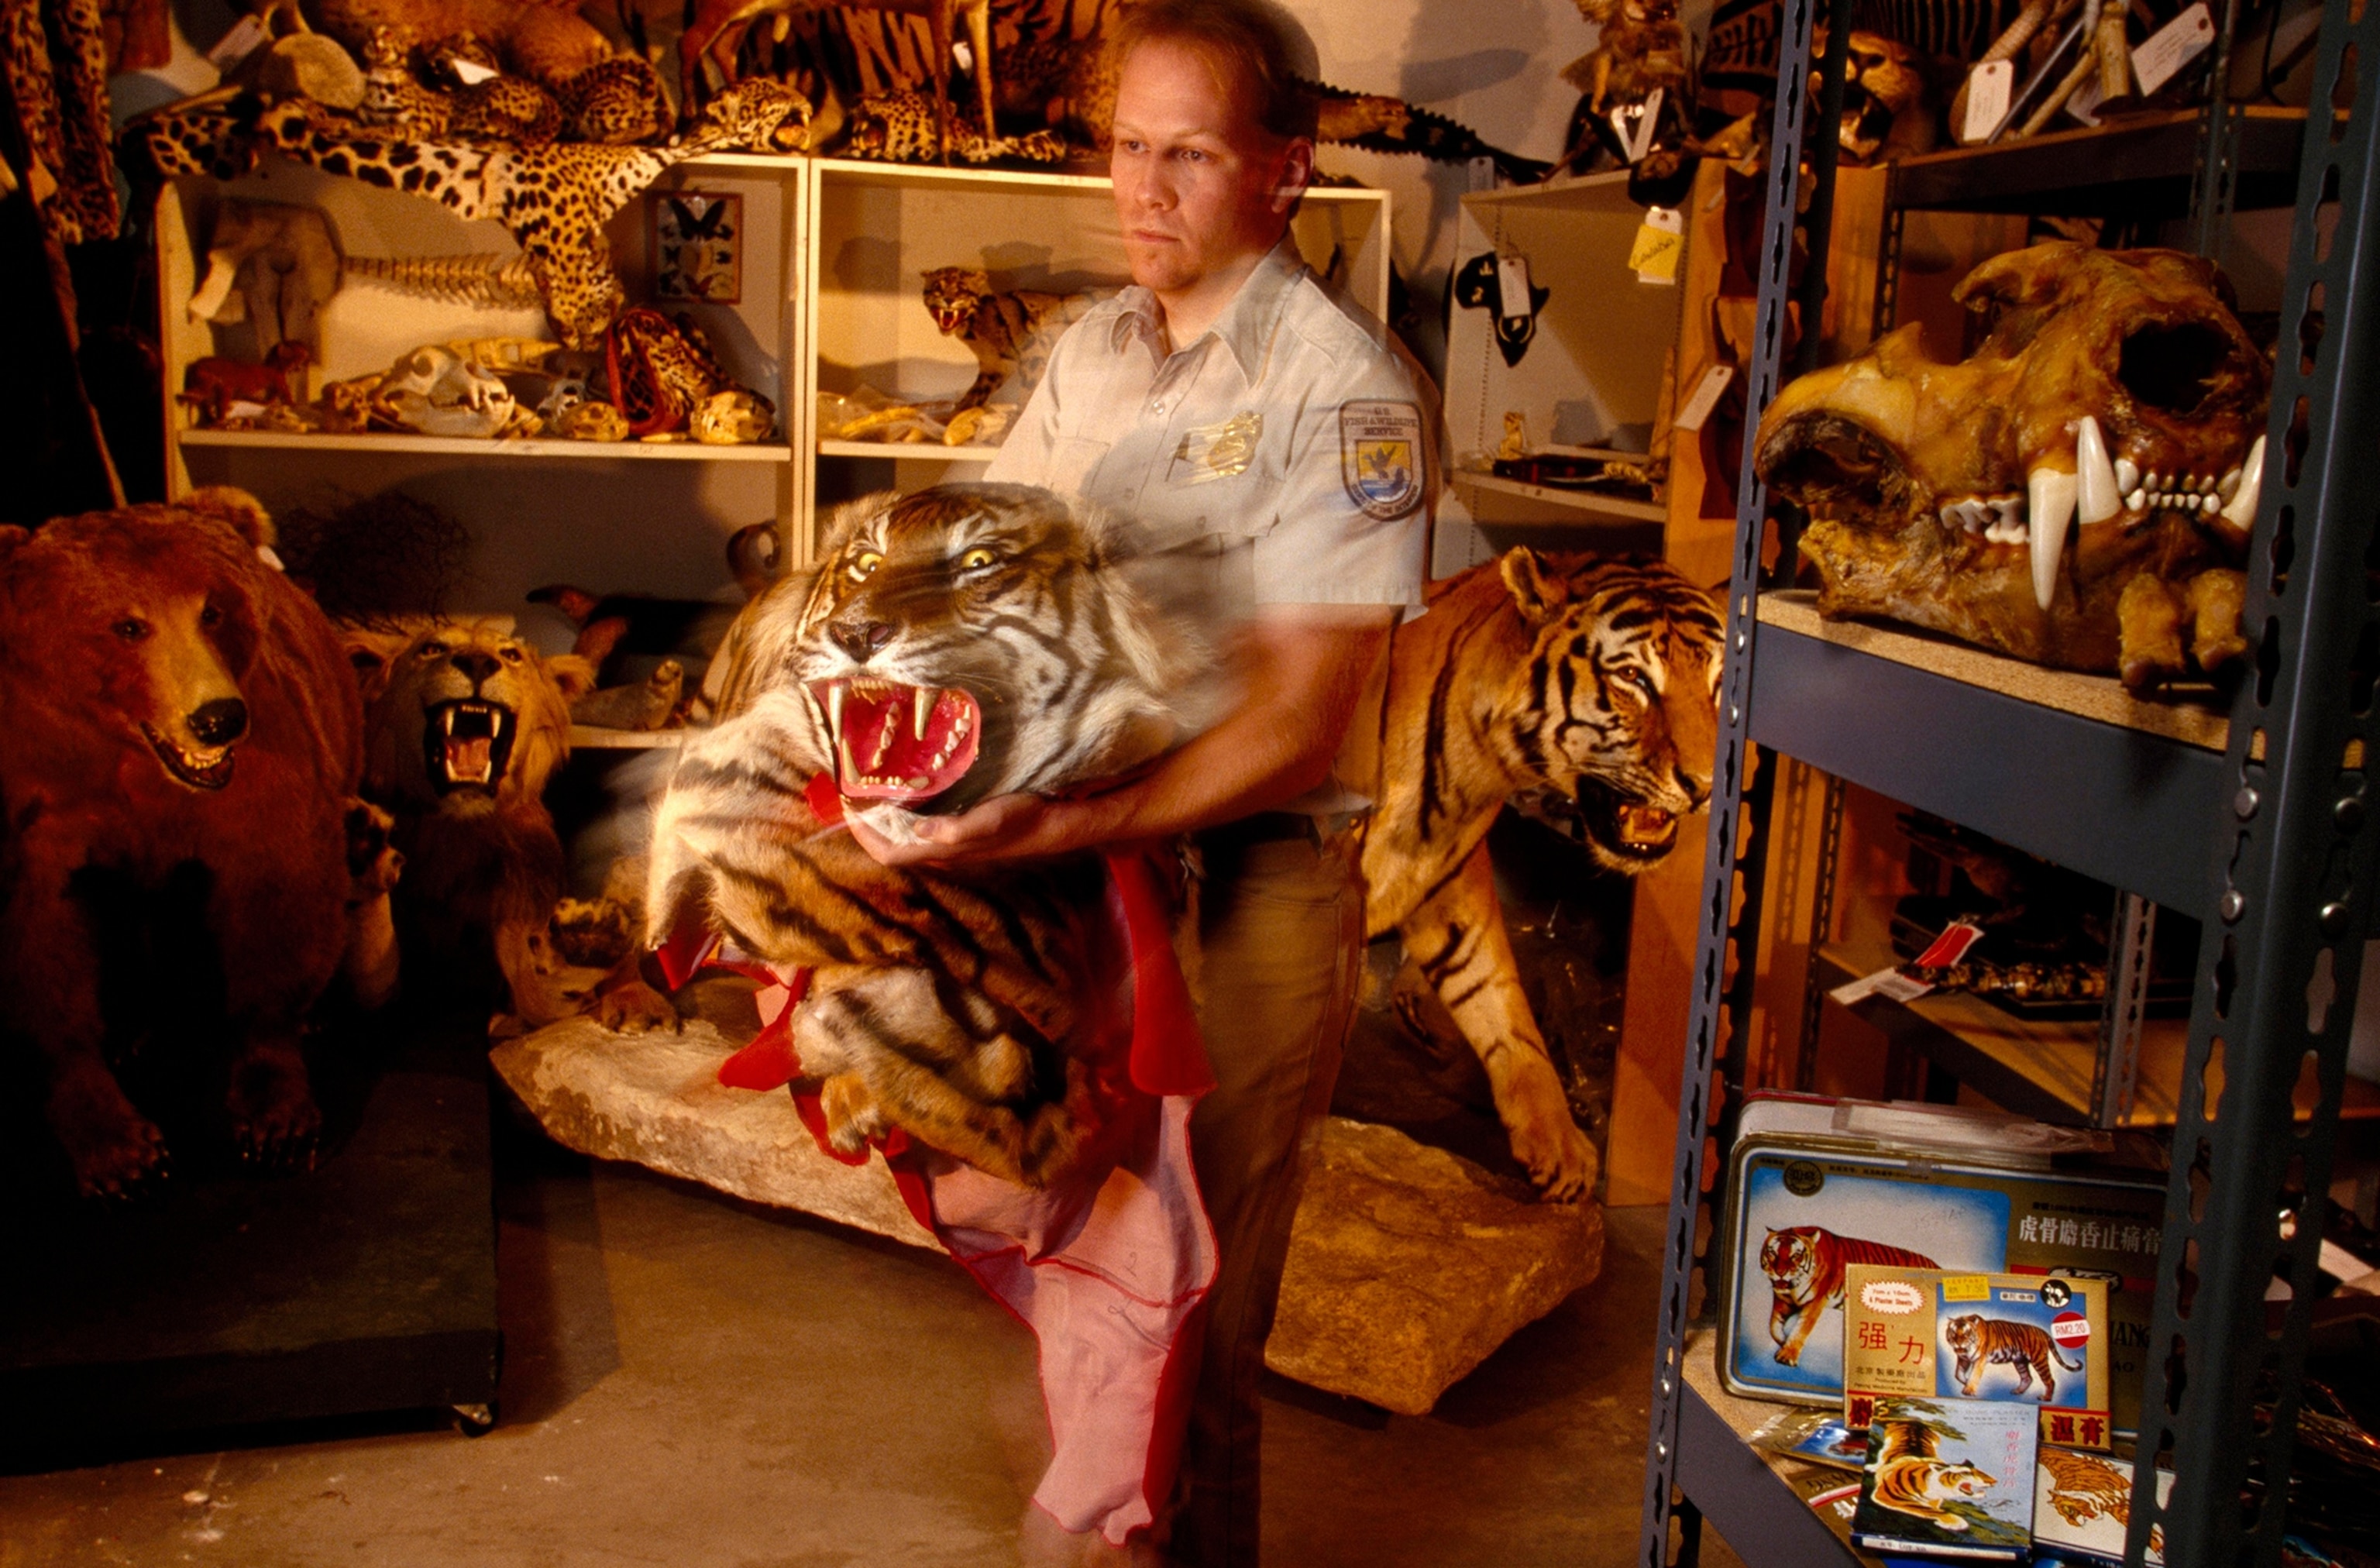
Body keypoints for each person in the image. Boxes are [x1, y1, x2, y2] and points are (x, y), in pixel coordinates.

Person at [845, 2, 1439, 1561]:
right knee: (1098, 1291)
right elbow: (992, 577)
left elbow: (1302, 726)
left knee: (1195, 1326)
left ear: (1286, 170)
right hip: (1085, 870)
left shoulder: (1348, 389)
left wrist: (1060, 815)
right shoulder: (1092, 351)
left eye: (1190, 152)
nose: (1144, 189)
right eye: (1127, 145)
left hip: (1251, 890)